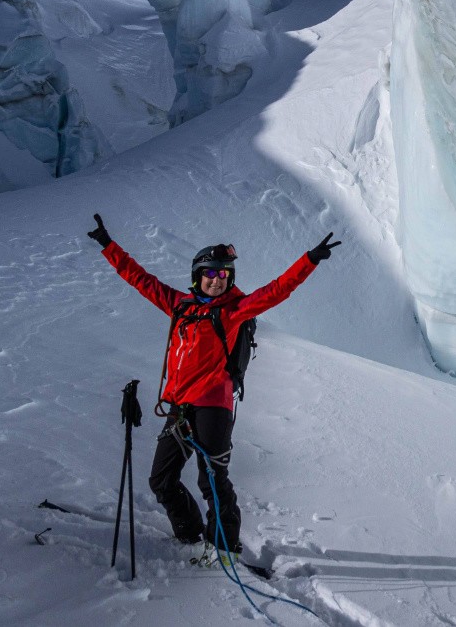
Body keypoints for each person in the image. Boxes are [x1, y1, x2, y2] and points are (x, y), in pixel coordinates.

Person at [87, 213, 340, 563]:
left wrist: (309, 260)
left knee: (213, 481)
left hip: (212, 408)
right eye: (210, 273)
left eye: (223, 274)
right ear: (197, 277)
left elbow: (277, 290)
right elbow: (140, 279)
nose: (217, 280)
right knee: (161, 480)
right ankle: (191, 535)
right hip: (179, 407)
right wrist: (108, 246)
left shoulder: (233, 311)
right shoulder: (180, 306)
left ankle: (224, 547)